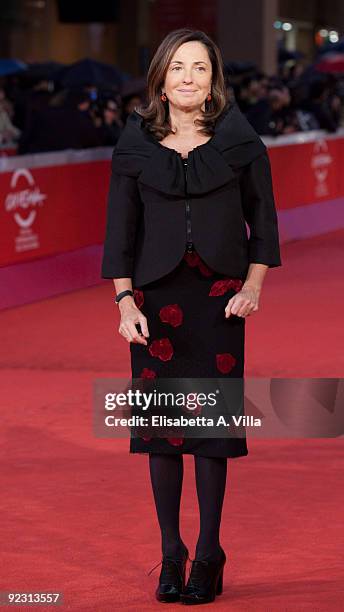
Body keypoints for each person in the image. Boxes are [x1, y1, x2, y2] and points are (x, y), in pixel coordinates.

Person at [101, 28, 282, 605]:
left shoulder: (240, 140)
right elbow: (118, 232)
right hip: (154, 303)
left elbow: (266, 223)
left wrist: (253, 288)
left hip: (219, 298)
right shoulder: (134, 144)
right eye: (177, 66)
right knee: (161, 434)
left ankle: (208, 553)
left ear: (213, 80)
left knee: (211, 433)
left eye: (200, 68)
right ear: (160, 76)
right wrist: (124, 300)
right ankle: (171, 552)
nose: (188, 77)